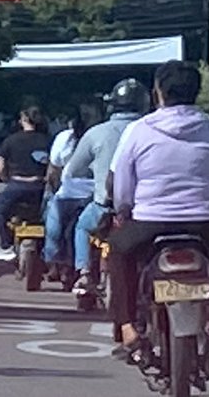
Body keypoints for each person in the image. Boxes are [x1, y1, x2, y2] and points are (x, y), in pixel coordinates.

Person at [108, 60, 209, 366]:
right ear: (196, 92)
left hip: (149, 223)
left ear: (158, 92)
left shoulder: (138, 131)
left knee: (118, 252)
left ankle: (128, 329)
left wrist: (124, 211)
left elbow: (122, 187)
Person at [62, 77, 149, 292]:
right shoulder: (151, 130)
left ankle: (83, 273)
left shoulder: (96, 133)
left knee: (82, 227)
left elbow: (73, 170)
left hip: (104, 206)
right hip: (144, 209)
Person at [0, 107, 51, 262]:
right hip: (39, 187)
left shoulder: (10, 140)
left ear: (23, 120)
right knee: (48, 216)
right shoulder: (47, 140)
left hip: (17, 185)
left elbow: (0, 169)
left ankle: (6, 245)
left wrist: (6, 179)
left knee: (0, 211)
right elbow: (54, 167)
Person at [42, 104, 96, 272]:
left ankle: (53, 260)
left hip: (68, 195)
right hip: (96, 195)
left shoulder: (64, 138)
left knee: (52, 228)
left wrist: (53, 187)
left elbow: (54, 169)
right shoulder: (103, 134)